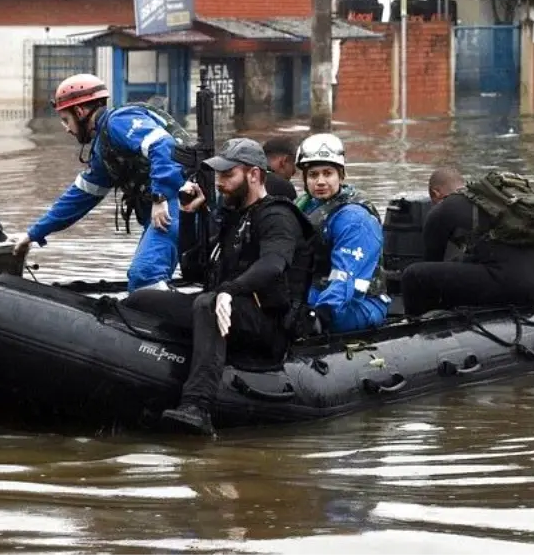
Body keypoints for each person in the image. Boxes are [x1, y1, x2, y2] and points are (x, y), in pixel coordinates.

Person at [160, 138, 314, 437]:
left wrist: (229, 290)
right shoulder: (232, 216)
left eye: (228, 175)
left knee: (207, 304)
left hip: (267, 323)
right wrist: (189, 215)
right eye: (218, 176)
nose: (220, 183)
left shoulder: (278, 216)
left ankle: (197, 406)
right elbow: (192, 270)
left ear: (254, 175)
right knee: (144, 299)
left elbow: (273, 265)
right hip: (226, 308)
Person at [12, 74, 187, 292]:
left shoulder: (118, 122)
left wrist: (160, 196)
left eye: (66, 120)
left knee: (145, 276)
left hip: (179, 202)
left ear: (80, 112)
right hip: (168, 206)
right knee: (141, 278)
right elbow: (79, 198)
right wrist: (33, 234)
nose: (66, 128)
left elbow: (163, 145)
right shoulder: (103, 150)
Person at [401, 167, 534, 315]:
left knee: (413, 276)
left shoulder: (442, 210)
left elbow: (431, 263)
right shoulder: (491, 201)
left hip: (512, 284)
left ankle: (416, 330)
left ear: (436, 193)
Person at [294, 134, 389, 333]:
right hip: (317, 289)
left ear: (341, 175)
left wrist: (320, 315)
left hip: (358, 303)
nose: (320, 181)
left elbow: (345, 277)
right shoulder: (306, 207)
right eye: (313, 175)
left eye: (328, 173)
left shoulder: (355, 218)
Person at [262, 136, 298, 200]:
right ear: (285, 160)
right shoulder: (284, 187)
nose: (294, 172)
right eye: (293, 164)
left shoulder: (249, 178)